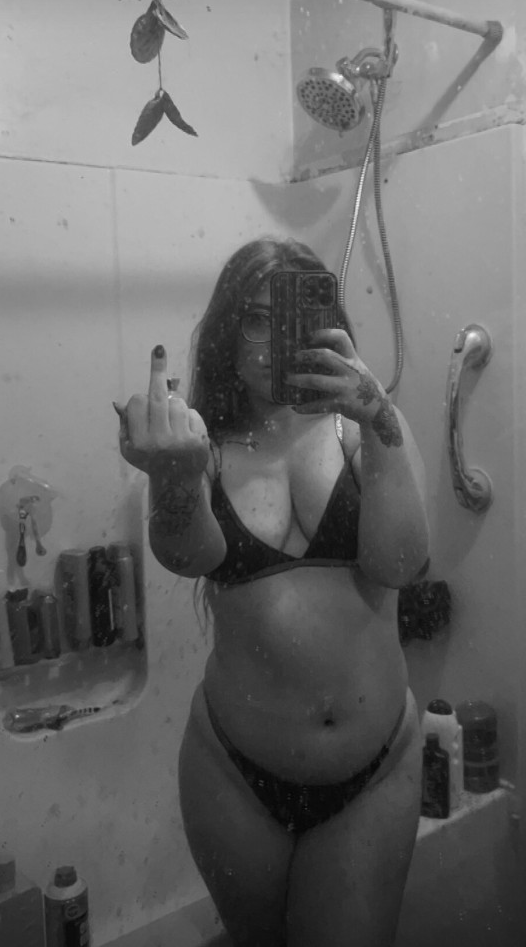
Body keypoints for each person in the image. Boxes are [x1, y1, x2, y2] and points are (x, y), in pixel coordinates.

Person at [115, 237, 430, 947]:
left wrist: (379, 416)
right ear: (227, 332)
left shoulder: (364, 427)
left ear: (327, 322)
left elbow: (401, 563)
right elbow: (188, 555)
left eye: (292, 314)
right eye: (254, 318)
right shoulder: (203, 444)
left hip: (375, 771)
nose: (272, 339)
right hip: (232, 773)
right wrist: (174, 476)